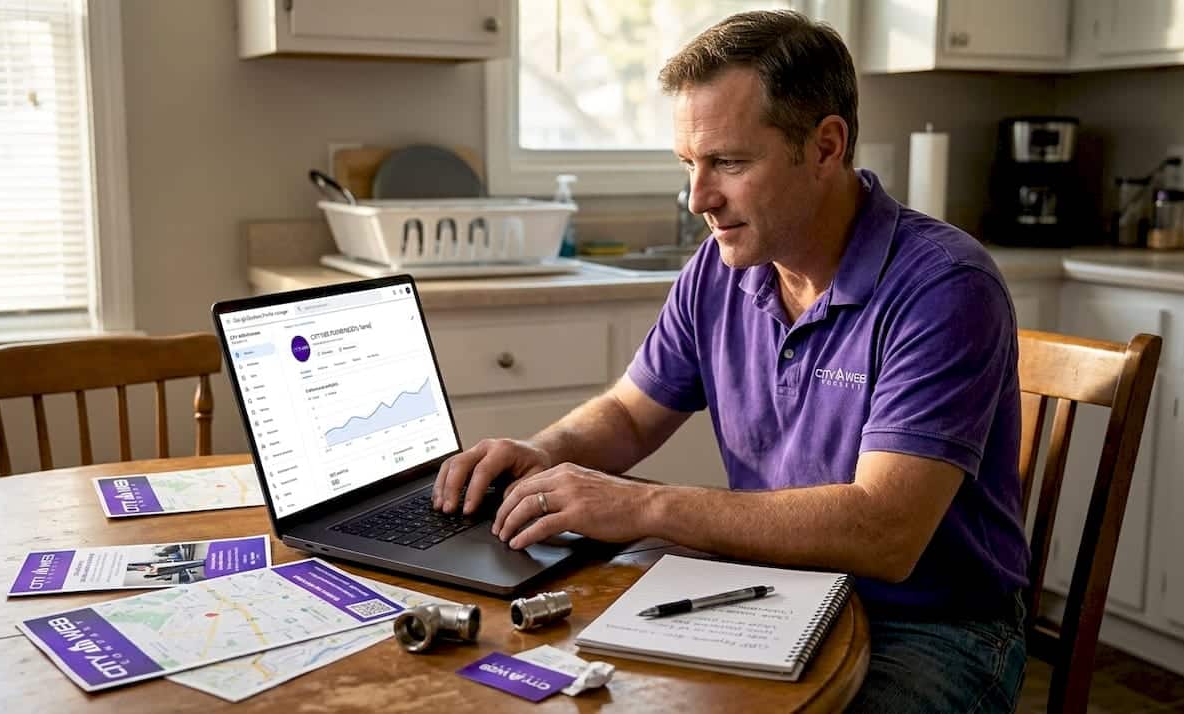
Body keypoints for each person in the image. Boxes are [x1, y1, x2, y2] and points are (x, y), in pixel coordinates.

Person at [433, 9, 1028, 713]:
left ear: (826, 146)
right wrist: (539, 453)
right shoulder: (722, 269)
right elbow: (629, 412)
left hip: (930, 625)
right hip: (773, 589)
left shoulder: (943, 286)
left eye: (730, 163)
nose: (698, 199)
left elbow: (885, 531)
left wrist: (644, 505)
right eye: (689, 164)